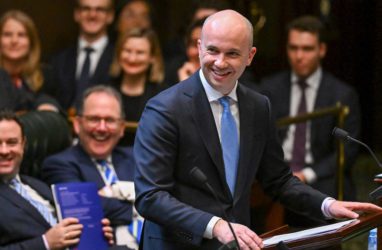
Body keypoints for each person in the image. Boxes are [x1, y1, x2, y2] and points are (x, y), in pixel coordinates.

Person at [133, 10, 381, 249]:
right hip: (178, 245)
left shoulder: (258, 106)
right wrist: (216, 225)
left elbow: (278, 179)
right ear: (199, 48)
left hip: (239, 245)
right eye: (212, 50)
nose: (220, 62)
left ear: (250, 56)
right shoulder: (165, 109)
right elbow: (151, 196)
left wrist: (327, 205)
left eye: (232, 53)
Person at [259, 16, 361, 227]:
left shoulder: (342, 94)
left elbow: (347, 152)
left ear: (321, 50)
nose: (299, 56)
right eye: (293, 48)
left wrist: (304, 175)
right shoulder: (268, 88)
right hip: (277, 174)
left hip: (319, 176)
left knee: (328, 193)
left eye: (307, 49)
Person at [41, 85, 139, 249]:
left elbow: (168, 196)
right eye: (94, 119)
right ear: (77, 124)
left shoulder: (136, 157)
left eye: (109, 120)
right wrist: (142, 204)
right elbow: (86, 212)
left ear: (122, 128)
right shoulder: (59, 164)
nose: (101, 128)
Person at [0, 109, 114, 249]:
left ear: (23, 144)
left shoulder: (38, 185)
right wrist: (46, 243)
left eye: (12, 142)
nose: (4, 151)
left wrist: (96, 235)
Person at [51, 0, 115, 111]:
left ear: (110, 16)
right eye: (86, 9)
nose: (92, 15)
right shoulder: (59, 60)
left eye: (100, 10)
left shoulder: (120, 58)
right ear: (77, 14)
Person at [109, 28, 164, 145]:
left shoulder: (163, 96)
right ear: (119, 53)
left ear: (152, 58)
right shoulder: (104, 90)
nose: (132, 58)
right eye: (127, 51)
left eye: (140, 53)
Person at [0, 10, 60, 112]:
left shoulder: (46, 76)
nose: (14, 41)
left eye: (21, 35)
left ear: (31, 42)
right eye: (7, 34)